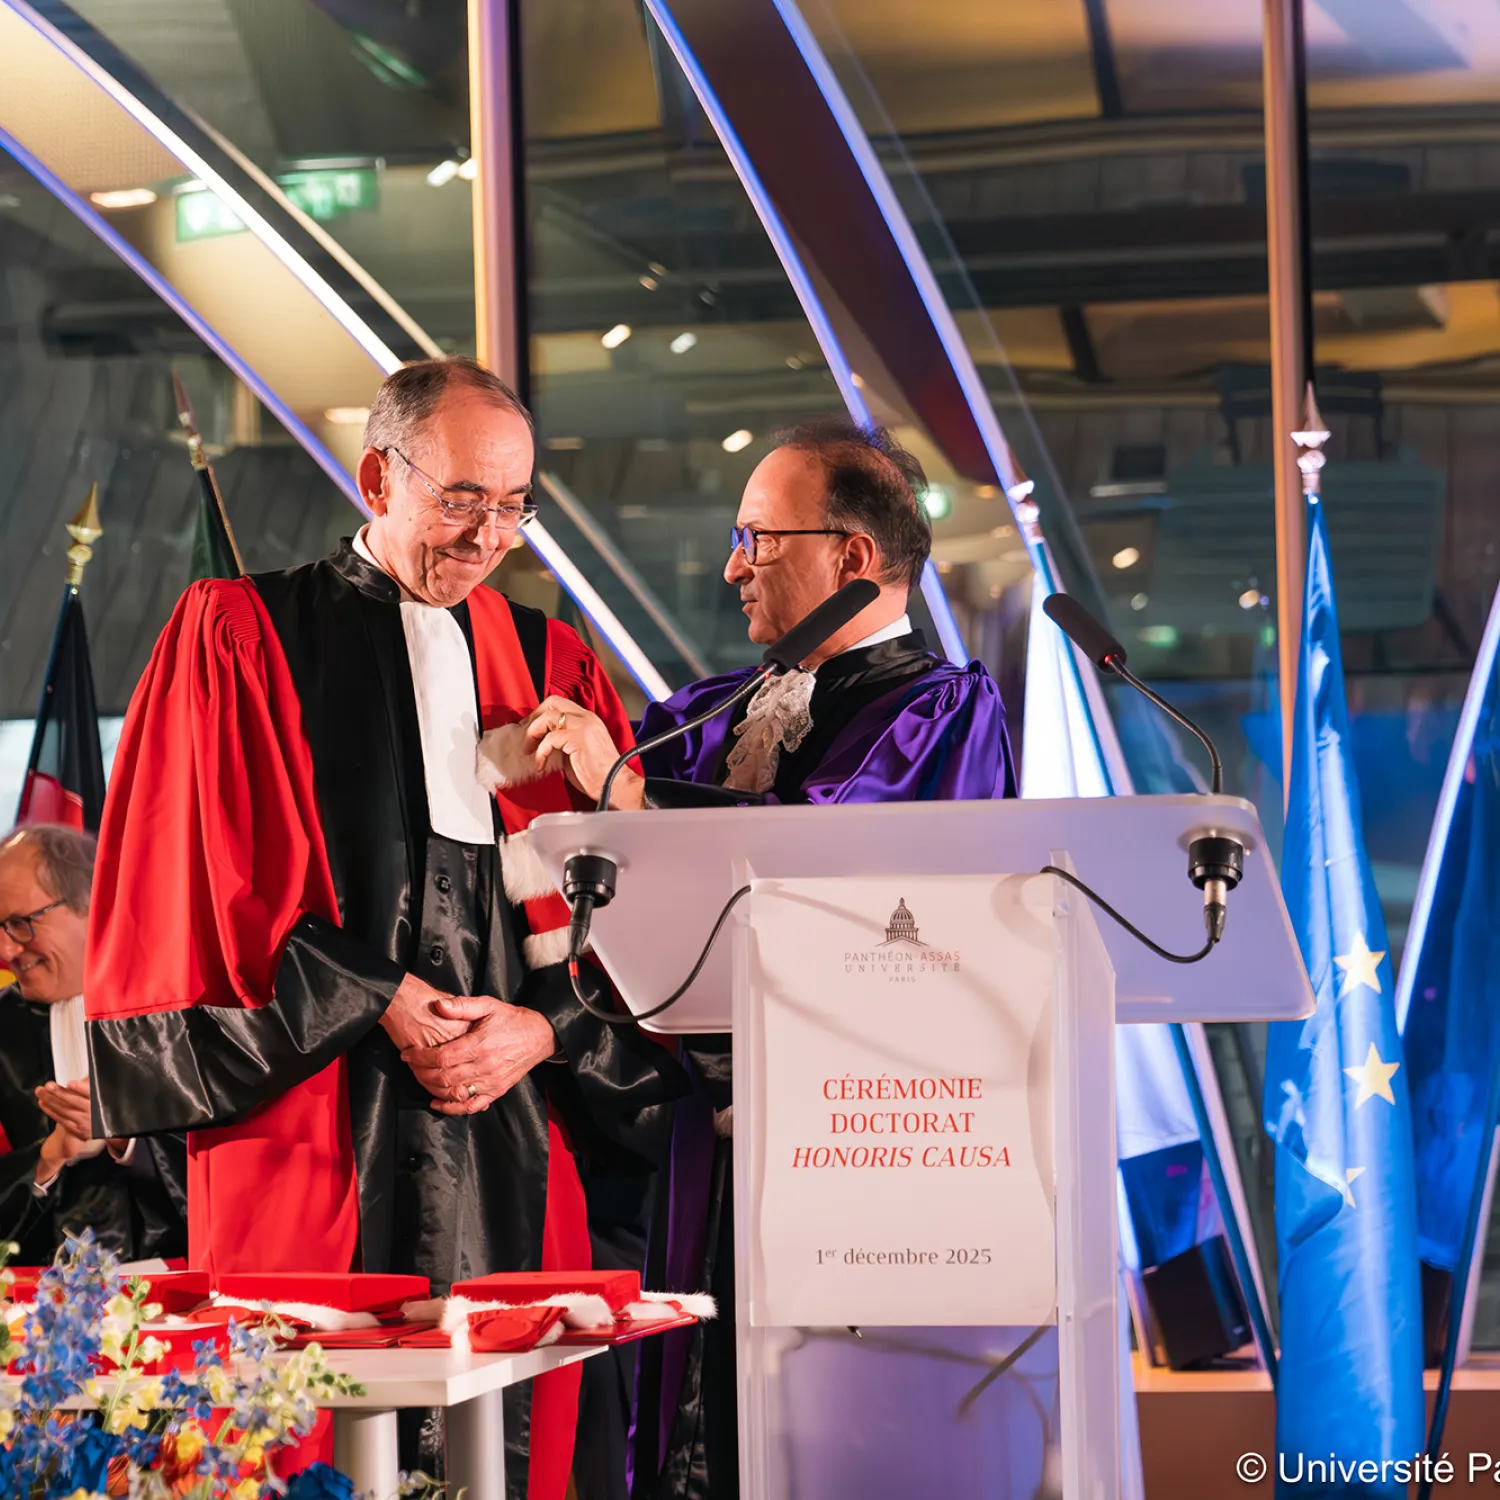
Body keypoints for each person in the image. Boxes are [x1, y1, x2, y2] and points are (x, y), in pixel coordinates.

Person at [83, 356, 687, 1500]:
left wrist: (541, 1030)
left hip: (508, 1123)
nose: (489, 536)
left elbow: (630, 914)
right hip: (311, 1107)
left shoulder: (554, 664)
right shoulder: (242, 632)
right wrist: (383, 998)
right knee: (291, 1427)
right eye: (463, 499)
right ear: (377, 476)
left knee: (512, 1430)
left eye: (515, 507)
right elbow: (208, 882)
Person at [521, 416, 1016, 1500]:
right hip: (696, 1142)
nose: (733, 564)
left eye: (758, 537)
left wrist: (634, 799)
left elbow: (827, 856)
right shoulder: (711, 713)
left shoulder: (939, 711)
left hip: (861, 1152)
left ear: (853, 558)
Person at [0, 825, 185, 1266]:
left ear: (90, 904)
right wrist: (48, 1156)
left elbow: (238, 1166)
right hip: (39, 1296)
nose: (6, 949)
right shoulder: (3, 1027)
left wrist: (126, 1136)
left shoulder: (175, 1006)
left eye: (20, 924)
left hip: (179, 1283)